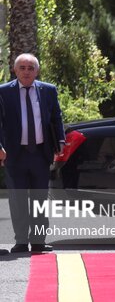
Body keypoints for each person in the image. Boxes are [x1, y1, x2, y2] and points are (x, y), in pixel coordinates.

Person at [0, 53, 65, 253]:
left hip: (40, 153)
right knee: (18, 199)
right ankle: (21, 241)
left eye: (30, 68)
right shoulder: (3, 92)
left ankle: (38, 241)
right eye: (22, 68)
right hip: (14, 154)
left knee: (39, 199)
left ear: (37, 71)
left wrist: (60, 141)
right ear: (15, 70)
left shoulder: (48, 90)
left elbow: (56, 116)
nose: (26, 72)